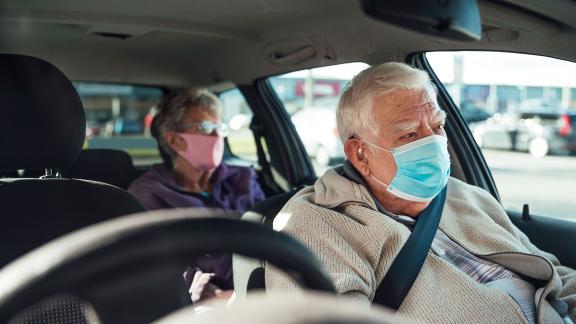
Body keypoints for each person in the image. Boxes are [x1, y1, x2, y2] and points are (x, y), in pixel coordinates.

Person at [265, 62, 576, 323]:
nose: (434, 144)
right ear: (360, 153)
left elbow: (556, 279)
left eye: (437, 126)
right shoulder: (316, 224)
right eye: (410, 133)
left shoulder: (466, 195)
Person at [128, 88, 265, 304]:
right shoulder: (147, 194)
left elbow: (268, 236)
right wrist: (213, 294)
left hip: (263, 291)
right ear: (174, 140)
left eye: (219, 127)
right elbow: (156, 267)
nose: (217, 135)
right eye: (205, 128)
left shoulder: (243, 179)